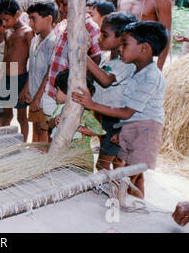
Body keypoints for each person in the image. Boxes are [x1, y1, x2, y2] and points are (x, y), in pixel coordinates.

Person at [72, 21, 168, 199]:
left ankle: (131, 205)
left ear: (144, 48)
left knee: (131, 175)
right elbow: (129, 110)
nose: (121, 49)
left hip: (146, 129)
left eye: (125, 44)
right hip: (134, 126)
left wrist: (92, 105)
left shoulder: (151, 76)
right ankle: (133, 204)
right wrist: (123, 130)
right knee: (131, 173)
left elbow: (127, 111)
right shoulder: (135, 70)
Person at [41, 0, 102, 120]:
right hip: (52, 91)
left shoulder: (91, 29)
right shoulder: (62, 25)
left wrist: (72, 92)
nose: (60, 9)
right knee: (53, 132)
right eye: (58, 4)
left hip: (69, 96)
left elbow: (94, 64)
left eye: (64, 4)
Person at [86, 12, 138, 171]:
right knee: (112, 160)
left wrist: (83, 56)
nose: (98, 38)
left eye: (104, 34)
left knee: (103, 164)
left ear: (122, 38)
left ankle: (112, 192)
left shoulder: (126, 63)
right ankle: (114, 189)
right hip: (104, 117)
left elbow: (105, 80)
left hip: (117, 121)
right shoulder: (104, 57)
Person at [48, 69, 106, 172]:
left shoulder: (84, 113)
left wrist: (79, 128)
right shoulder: (59, 108)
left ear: (70, 93)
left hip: (80, 160)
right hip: (61, 157)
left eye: (57, 90)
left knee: (79, 182)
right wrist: (55, 120)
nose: (55, 93)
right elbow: (49, 123)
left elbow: (98, 131)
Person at [0, 0, 34, 142]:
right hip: (7, 79)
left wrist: (26, 87)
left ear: (17, 14)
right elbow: (5, 59)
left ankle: (23, 143)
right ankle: (5, 141)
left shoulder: (27, 33)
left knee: (22, 117)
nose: (3, 23)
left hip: (21, 78)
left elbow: (32, 62)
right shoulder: (7, 33)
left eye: (6, 19)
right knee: (6, 115)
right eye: (1, 21)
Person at [117, 0, 172, 70]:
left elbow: (166, 35)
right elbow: (117, 30)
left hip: (146, 61)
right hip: (124, 59)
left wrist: (158, 68)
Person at [25, 1, 58, 143]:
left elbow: (50, 72)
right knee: (36, 128)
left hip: (44, 98)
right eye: (29, 19)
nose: (30, 23)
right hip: (34, 95)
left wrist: (38, 97)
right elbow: (31, 69)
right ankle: (34, 157)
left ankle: (42, 160)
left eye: (34, 19)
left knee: (44, 131)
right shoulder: (34, 40)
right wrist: (26, 89)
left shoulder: (53, 42)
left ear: (49, 19)